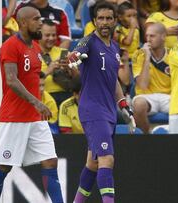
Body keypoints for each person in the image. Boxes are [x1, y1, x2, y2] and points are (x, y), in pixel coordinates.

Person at [0, 6, 63, 203]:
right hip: (14, 117)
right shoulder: (10, 46)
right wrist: (37, 102)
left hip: (34, 118)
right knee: (4, 165)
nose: (41, 22)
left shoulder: (36, 46)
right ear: (22, 23)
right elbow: (12, 80)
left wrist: (56, 66)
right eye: (36, 19)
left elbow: (35, 74)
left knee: (50, 161)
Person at [68, 2, 136, 202]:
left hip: (108, 111)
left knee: (93, 163)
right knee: (107, 159)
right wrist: (74, 57)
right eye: (101, 18)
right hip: (92, 110)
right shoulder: (88, 41)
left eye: (109, 18)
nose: (105, 22)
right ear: (94, 21)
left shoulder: (114, 47)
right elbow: (76, 53)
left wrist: (124, 106)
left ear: (115, 20)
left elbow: (114, 80)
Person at [131, 23, 170, 134]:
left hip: (168, 96)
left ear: (163, 37)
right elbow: (143, 85)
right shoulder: (139, 55)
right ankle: (148, 138)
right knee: (138, 105)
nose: (148, 39)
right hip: (146, 96)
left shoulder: (173, 55)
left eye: (152, 36)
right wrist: (147, 57)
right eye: (147, 36)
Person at [39, 19, 74, 107]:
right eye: (47, 35)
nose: (51, 38)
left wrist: (70, 69)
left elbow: (78, 81)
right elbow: (28, 82)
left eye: (53, 35)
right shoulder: (32, 53)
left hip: (67, 97)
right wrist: (48, 71)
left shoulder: (64, 53)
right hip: (44, 98)